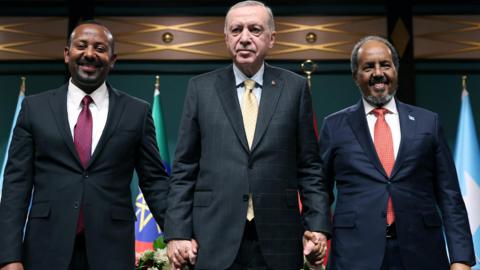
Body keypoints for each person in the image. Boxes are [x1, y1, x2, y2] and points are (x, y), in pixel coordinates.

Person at [164, 1, 331, 269]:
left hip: (279, 238)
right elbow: (184, 168)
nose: (244, 38)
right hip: (213, 236)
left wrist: (318, 227)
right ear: (226, 38)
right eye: (236, 30)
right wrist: (177, 233)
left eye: (254, 29)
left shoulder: (295, 88)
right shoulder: (201, 89)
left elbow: (310, 167)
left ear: (271, 38)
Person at [0, 21, 169, 270]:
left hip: (111, 250)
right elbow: (16, 185)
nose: (90, 53)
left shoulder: (137, 112)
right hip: (45, 249)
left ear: (113, 59)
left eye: (100, 48)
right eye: (81, 46)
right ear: (67, 53)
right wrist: (8, 257)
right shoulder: (34, 108)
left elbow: (155, 181)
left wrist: (178, 234)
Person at [318, 35, 476, 270]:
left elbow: (449, 195)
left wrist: (461, 258)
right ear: (355, 76)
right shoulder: (334, 125)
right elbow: (319, 189)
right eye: (368, 67)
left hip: (422, 252)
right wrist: (318, 231)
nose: (378, 73)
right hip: (354, 254)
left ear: (396, 71)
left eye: (385, 65)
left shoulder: (427, 122)